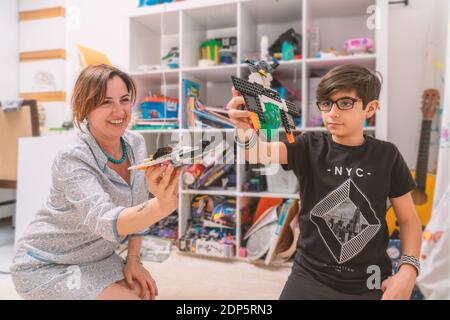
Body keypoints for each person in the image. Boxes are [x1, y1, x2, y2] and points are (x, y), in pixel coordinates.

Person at [227, 64, 422, 300]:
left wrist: (408, 270)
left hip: (369, 280)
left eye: (346, 103)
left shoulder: (387, 156)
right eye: (326, 103)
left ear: (370, 108)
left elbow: (409, 220)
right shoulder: (309, 145)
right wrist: (244, 131)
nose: (333, 113)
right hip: (310, 274)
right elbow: (256, 153)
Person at [10, 64, 181, 300]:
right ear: (84, 109)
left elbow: (138, 206)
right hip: (46, 262)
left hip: (96, 258)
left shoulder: (136, 142)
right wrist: (160, 206)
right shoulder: (72, 157)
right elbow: (105, 219)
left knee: (143, 292)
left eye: (124, 99)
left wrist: (133, 260)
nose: (119, 111)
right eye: (105, 102)